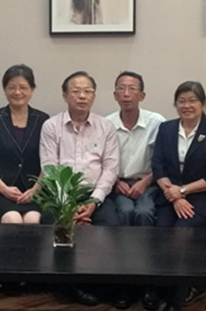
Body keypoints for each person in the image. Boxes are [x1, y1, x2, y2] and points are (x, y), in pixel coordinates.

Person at [40, 70, 119, 306]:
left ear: (94, 96)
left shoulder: (106, 127)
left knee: (111, 226)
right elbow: (49, 169)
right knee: (56, 229)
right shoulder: (51, 126)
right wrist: (67, 206)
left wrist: (93, 202)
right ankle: (69, 286)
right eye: (76, 91)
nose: (82, 96)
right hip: (61, 197)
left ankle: (103, 284)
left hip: (95, 195)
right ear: (65, 96)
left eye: (87, 91)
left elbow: (111, 169)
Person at [152, 81, 206, 311]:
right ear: (175, 104)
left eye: (192, 100)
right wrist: (176, 195)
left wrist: (183, 191)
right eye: (182, 101)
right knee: (160, 231)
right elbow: (158, 166)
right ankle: (160, 289)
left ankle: (178, 297)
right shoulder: (166, 129)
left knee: (182, 231)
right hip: (171, 196)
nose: (186, 105)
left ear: (203, 103)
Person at [104, 71, 165, 310]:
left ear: (142, 95)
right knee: (125, 212)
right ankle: (125, 282)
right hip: (118, 184)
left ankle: (148, 282)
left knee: (144, 212)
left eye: (132, 89)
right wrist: (114, 181)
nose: (126, 94)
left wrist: (146, 181)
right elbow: (102, 160)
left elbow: (163, 160)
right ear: (115, 95)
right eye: (121, 88)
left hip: (149, 182)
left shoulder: (156, 122)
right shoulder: (107, 124)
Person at [0, 64, 49, 225]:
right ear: (5, 89)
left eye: (23, 87)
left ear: (32, 89)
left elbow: (49, 162)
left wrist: (35, 189)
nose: (17, 92)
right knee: (12, 219)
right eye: (12, 87)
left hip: (34, 190)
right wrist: (3, 188)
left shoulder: (43, 120)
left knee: (33, 219)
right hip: (1, 190)